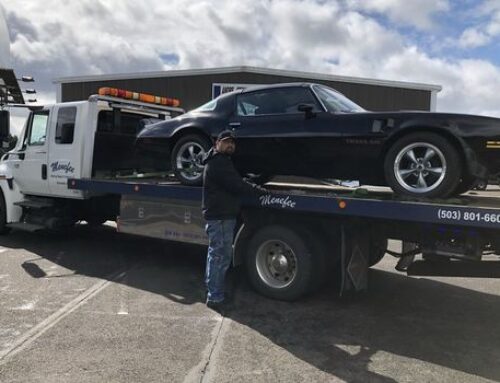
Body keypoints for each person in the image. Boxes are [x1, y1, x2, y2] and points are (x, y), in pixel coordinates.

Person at [201, 130, 267, 311]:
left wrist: (252, 181)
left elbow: (234, 180)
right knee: (220, 255)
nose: (230, 145)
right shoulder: (218, 163)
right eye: (226, 142)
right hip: (219, 217)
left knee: (218, 255)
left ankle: (214, 291)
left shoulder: (222, 161)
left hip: (223, 215)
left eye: (232, 143)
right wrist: (258, 190)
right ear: (217, 143)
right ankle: (214, 296)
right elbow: (235, 184)